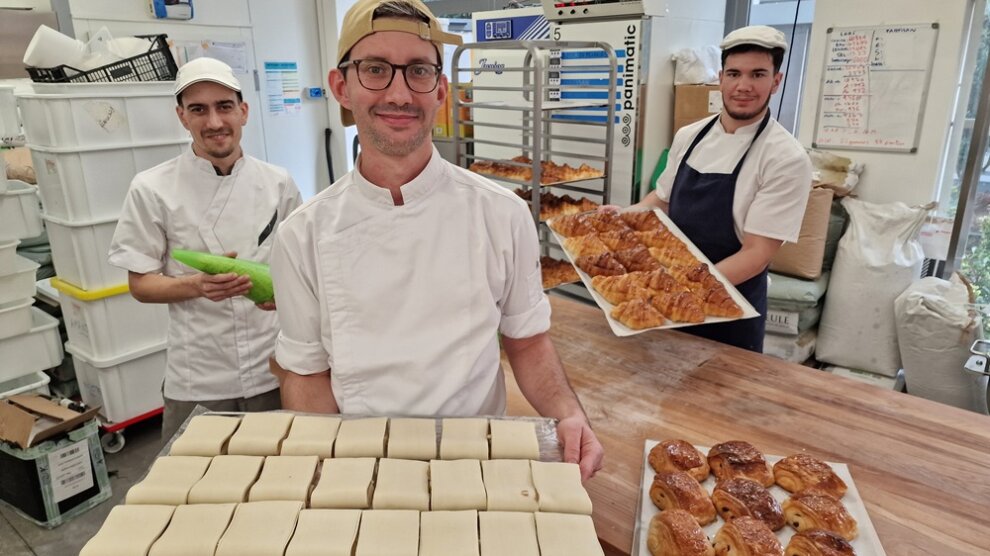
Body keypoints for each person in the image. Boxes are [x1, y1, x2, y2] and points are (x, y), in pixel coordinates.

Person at [269, 0, 604, 480]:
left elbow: (527, 342)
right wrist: (331, 472)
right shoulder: (302, 235)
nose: (400, 94)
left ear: (442, 90)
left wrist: (570, 414)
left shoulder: (502, 214)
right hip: (364, 466)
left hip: (477, 462)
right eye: (376, 70)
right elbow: (306, 374)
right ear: (341, 86)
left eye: (419, 71)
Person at [108, 57, 303, 440]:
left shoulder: (278, 183)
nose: (214, 122)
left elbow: (302, 269)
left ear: (243, 112)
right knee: (191, 487)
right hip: (199, 374)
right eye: (199, 109)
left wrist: (287, 298)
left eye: (224, 106)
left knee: (282, 481)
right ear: (182, 117)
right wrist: (196, 286)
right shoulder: (152, 188)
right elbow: (141, 284)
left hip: (273, 364)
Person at [615, 25, 812, 353]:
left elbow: (756, 253)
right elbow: (661, 201)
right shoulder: (689, 136)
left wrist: (680, 291)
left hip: (728, 305)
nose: (743, 86)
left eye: (758, 74)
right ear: (720, 77)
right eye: (734, 73)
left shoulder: (785, 158)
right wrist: (620, 218)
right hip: (671, 287)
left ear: (776, 81)